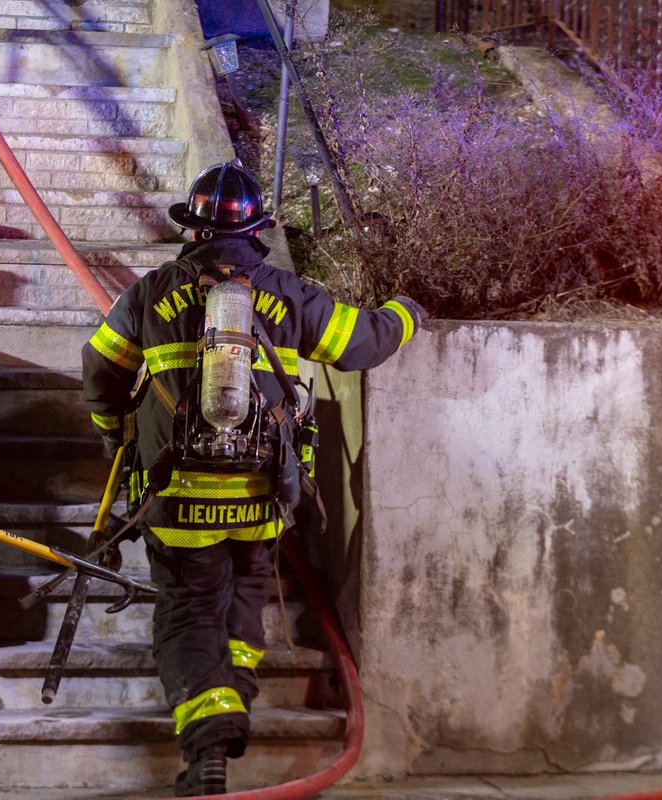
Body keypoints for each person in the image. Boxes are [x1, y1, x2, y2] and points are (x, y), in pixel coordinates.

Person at [80, 161, 425, 797]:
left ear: (191, 227)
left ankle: (207, 749)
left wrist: (113, 431)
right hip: (261, 499)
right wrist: (408, 310)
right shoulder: (288, 292)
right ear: (259, 229)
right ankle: (230, 708)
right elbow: (361, 344)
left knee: (188, 614)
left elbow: (97, 370)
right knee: (242, 606)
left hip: (177, 497)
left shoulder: (153, 292)